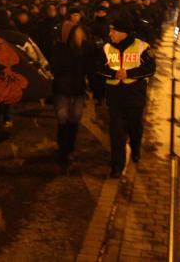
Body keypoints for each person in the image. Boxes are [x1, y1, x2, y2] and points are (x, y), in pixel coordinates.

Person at [98, 19, 156, 178]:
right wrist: (112, 73)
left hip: (134, 96)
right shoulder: (107, 48)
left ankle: (135, 148)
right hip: (115, 97)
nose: (110, 34)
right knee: (116, 133)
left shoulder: (141, 47)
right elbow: (99, 68)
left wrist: (130, 74)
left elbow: (150, 69)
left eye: (113, 31)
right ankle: (117, 166)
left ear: (123, 33)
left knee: (134, 127)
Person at [51, 24, 93, 171]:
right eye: (77, 33)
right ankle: (63, 150)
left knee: (75, 117)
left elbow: (90, 68)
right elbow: (55, 67)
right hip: (62, 89)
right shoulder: (61, 49)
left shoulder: (86, 50)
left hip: (78, 89)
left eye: (81, 33)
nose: (80, 36)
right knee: (62, 117)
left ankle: (70, 147)